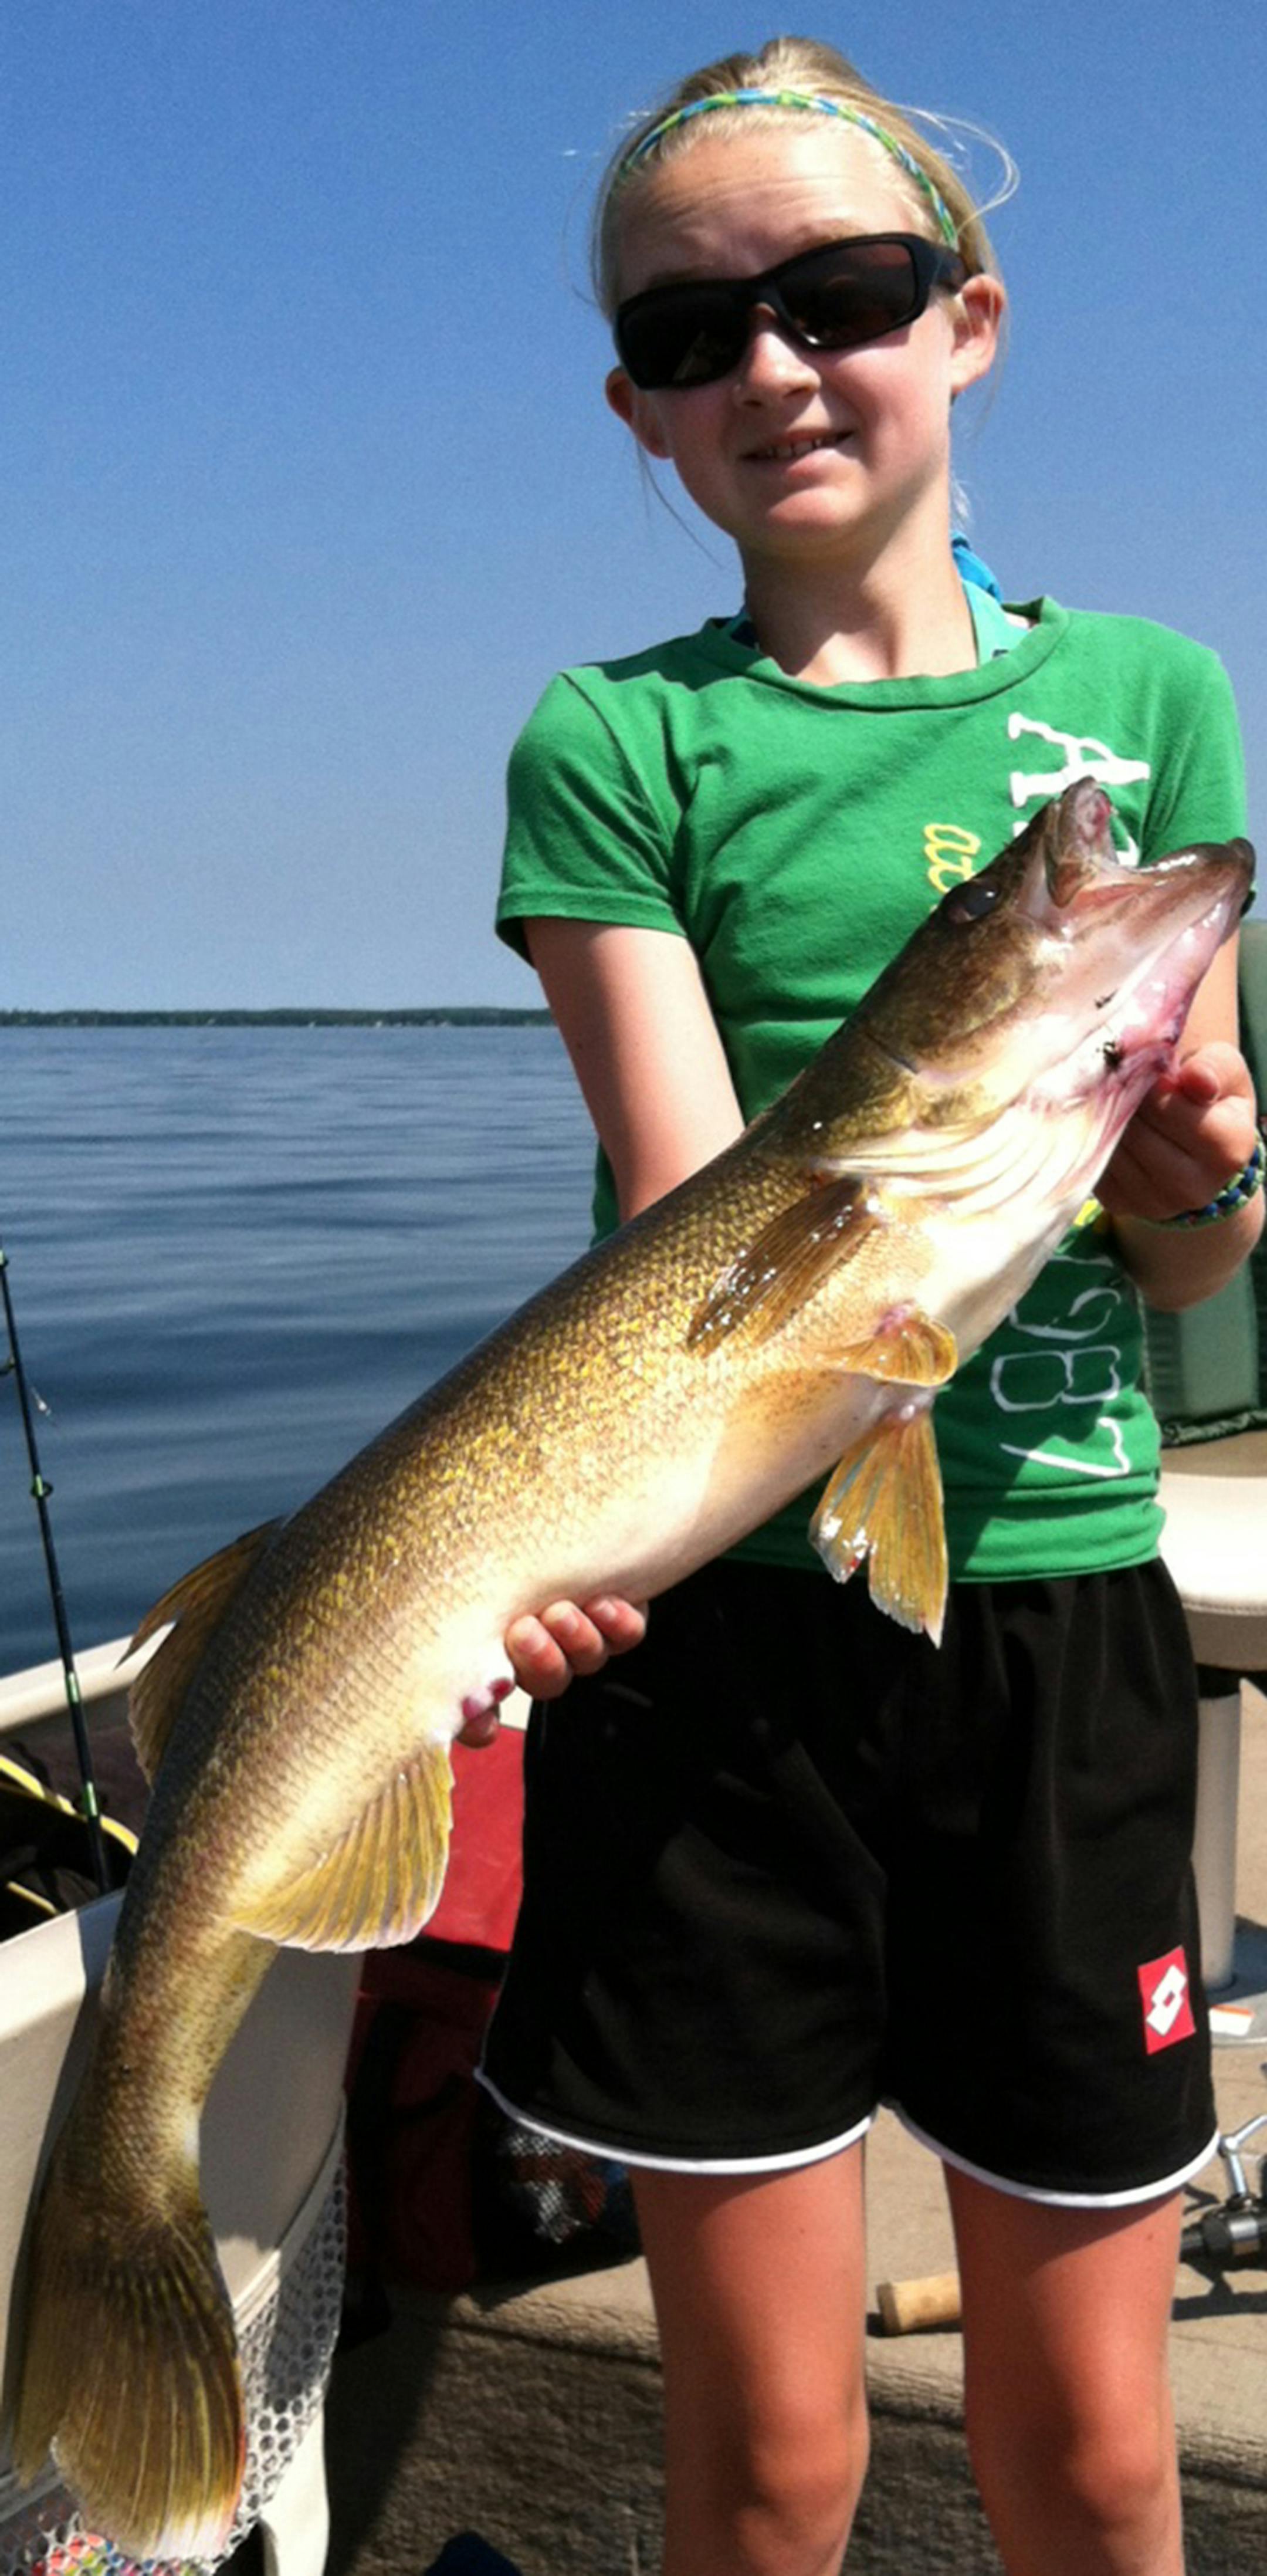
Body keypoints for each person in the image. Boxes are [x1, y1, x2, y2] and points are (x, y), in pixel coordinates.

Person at [475, 38, 1263, 2576]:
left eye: (843, 293)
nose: (777, 363)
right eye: (696, 333)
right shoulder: (615, 740)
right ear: (638, 410)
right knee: (775, 2470)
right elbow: (696, 1227)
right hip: (716, 1680)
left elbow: (1203, 1256)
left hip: (1056, 1639)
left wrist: (1200, 1177)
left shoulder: (1140, 704)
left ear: (975, 320)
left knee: (1097, 2463)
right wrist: (588, 1552)